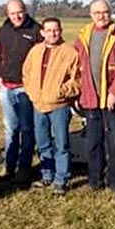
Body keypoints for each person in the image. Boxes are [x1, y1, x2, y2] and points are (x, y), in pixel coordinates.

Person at [75, 0, 115, 200]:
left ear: (110, 13)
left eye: (105, 12)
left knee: (113, 143)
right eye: (97, 12)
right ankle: (94, 180)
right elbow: (76, 66)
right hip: (90, 98)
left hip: (111, 101)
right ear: (91, 15)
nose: (101, 16)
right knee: (92, 142)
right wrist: (77, 93)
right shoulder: (83, 35)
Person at [23, 18, 81, 195]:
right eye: (48, 30)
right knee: (42, 142)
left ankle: (61, 179)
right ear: (42, 32)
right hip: (38, 105)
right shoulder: (35, 51)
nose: (52, 33)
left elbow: (78, 79)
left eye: (55, 30)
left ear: (61, 31)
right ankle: (47, 174)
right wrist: (32, 92)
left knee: (61, 143)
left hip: (59, 106)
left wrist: (61, 91)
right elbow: (26, 73)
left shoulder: (70, 52)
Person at [0, 0, 42, 185]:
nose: (16, 16)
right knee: (10, 129)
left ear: (25, 10)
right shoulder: (3, 30)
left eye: (19, 12)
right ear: (8, 14)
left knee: (27, 129)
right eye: (12, 13)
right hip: (6, 87)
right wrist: (0, 74)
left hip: (25, 88)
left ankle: (24, 168)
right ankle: (8, 165)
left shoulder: (35, 30)